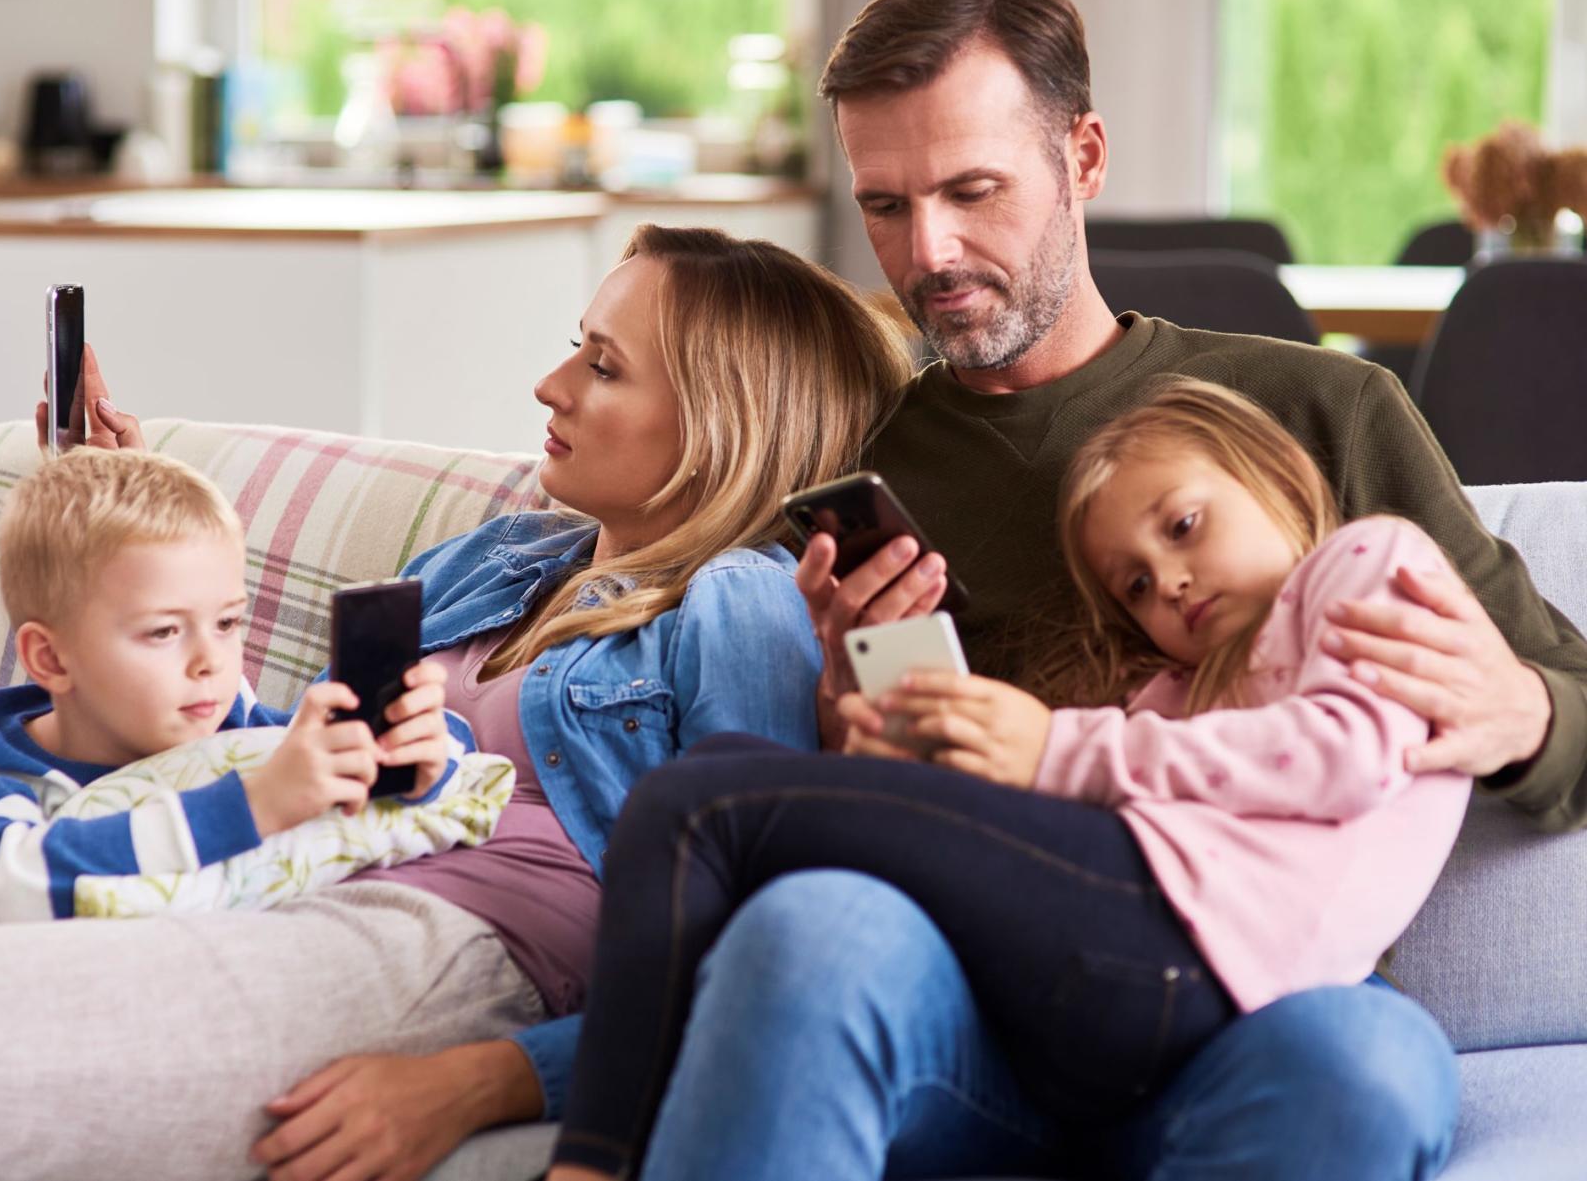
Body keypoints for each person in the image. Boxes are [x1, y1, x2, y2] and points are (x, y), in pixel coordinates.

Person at [613, 0, 1587, 1180]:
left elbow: (1567, 693)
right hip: (980, 1001)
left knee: (1363, 1067)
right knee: (811, 931)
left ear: (1083, 156)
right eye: (884, 205)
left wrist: (1526, 710)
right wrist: (847, 700)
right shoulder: (865, 470)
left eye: (973, 192)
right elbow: (890, 804)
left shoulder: (1318, 411)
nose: (930, 253)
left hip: (1266, 1002)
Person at [0, 224, 910, 1181]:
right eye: (576, 348)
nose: (551, 385)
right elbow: (256, 738)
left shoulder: (741, 602)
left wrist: (490, 1080)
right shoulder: (511, 553)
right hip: (270, 857)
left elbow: (742, 934)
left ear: (722, 424)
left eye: (604, 367)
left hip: (452, 934)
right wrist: (118, 538)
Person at [546, 379, 1474, 1178]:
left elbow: (1344, 753)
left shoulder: (1368, 560)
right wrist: (919, 761)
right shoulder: (1166, 696)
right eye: (1137, 586)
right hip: (1110, 998)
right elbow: (1044, 851)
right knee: (716, 798)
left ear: (1273, 475)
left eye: (1186, 525)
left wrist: (1052, 748)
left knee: (693, 801)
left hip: (1200, 957)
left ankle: (588, 1161)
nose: (1173, 583)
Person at [0, 447, 461, 931]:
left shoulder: (232, 723)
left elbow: (376, 770)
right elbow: (13, 892)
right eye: (165, 631)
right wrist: (254, 803)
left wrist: (417, 752)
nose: (210, 662)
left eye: (227, 622)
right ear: (50, 657)